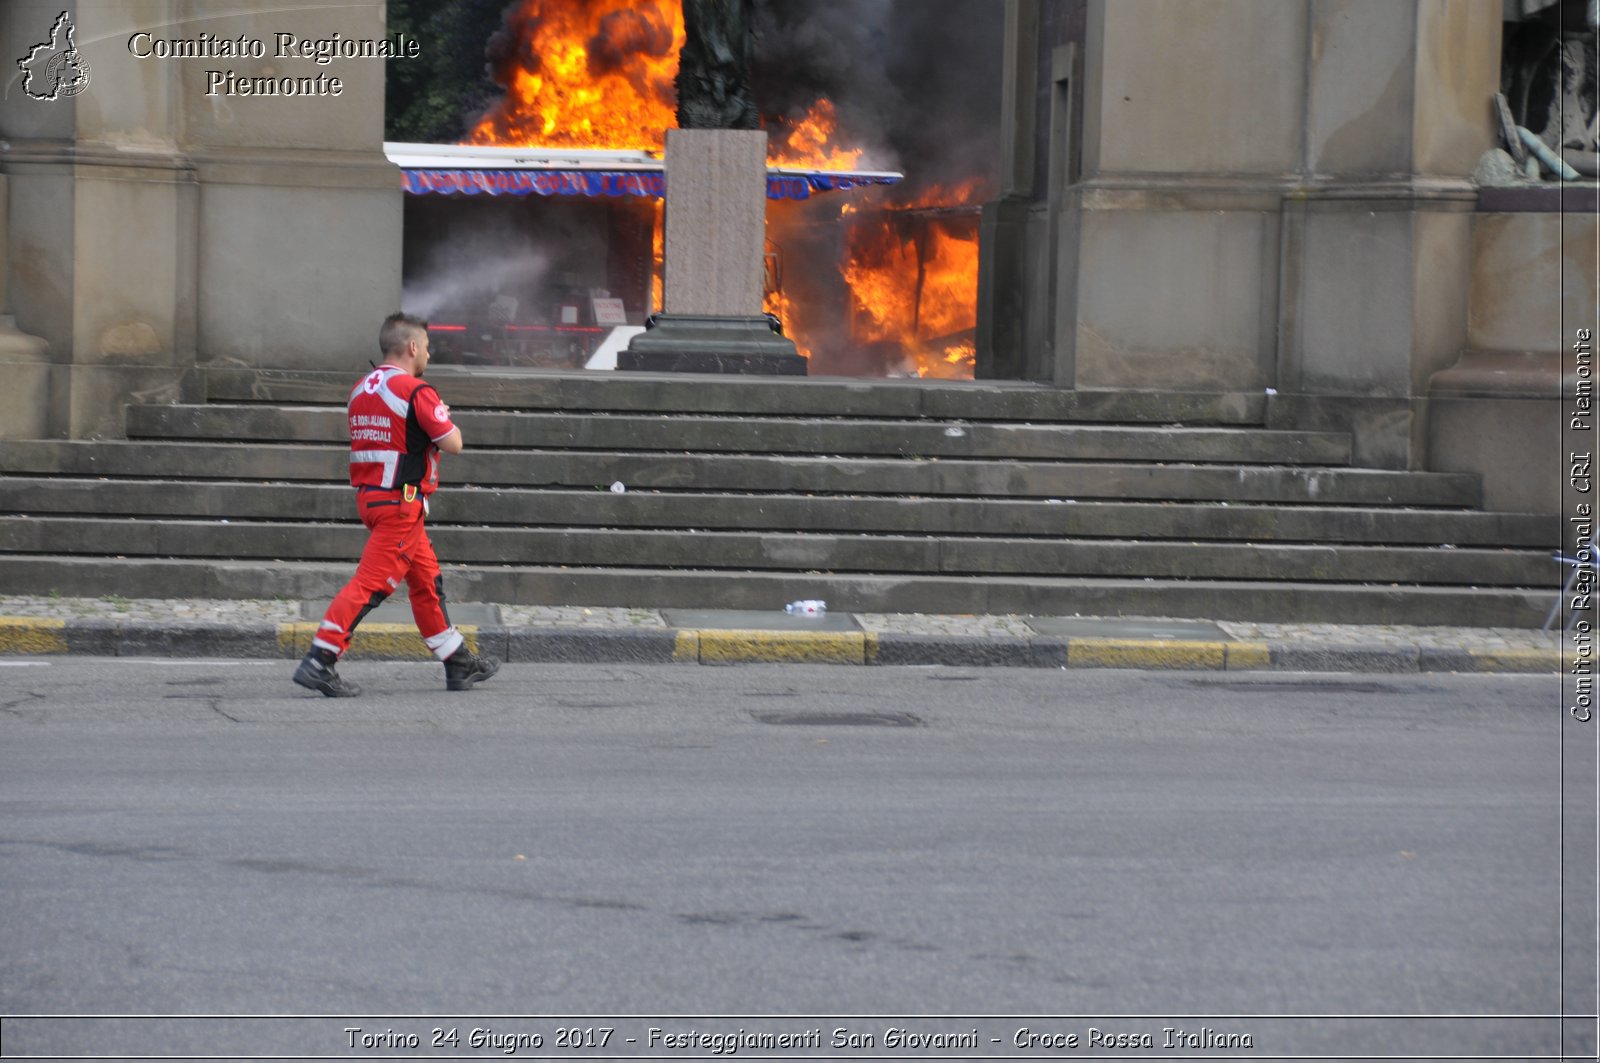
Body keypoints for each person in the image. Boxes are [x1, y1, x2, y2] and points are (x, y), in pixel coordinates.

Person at [293, 312, 500, 697]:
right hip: (402, 504)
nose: (429, 356)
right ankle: (320, 659)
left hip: (373, 499)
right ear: (412, 347)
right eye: (427, 348)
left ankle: (457, 662)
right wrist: (448, 423)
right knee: (370, 585)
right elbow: (453, 443)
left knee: (426, 583)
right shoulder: (416, 390)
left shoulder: (361, 389)